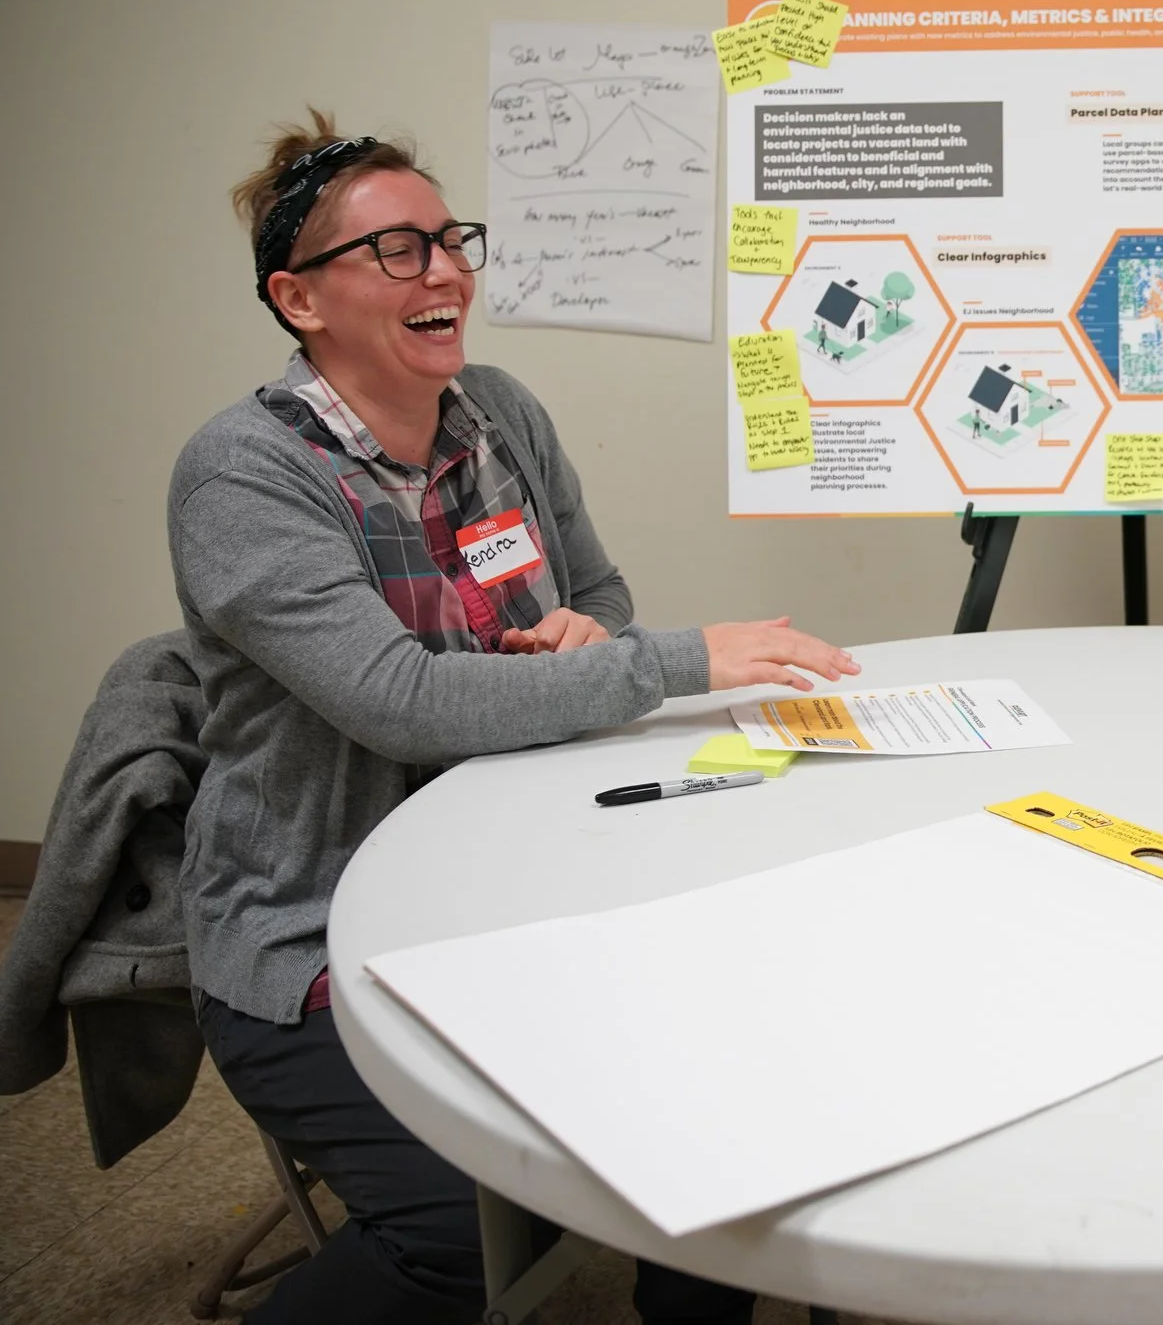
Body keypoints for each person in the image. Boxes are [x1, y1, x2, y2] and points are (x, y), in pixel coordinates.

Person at [172, 115, 861, 1325]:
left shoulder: (498, 412)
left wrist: (588, 634)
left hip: (529, 868)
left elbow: (599, 592)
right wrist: (676, 660)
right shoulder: (243, 474)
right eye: (396, 249)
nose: (444, 270)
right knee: (465, 1231)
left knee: (731, 1086)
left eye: (451, 240)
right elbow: (400, 703)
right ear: (299, 299)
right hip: (319, 925)